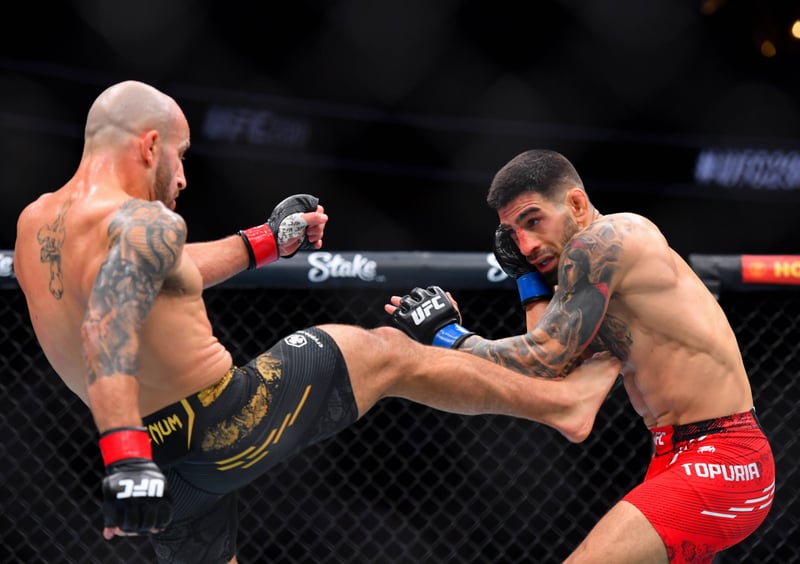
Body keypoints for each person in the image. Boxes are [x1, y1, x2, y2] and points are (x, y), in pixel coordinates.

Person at [13, 82, 622, 564]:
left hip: (163, 462)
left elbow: (165, 271)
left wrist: (265, 241)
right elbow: (107, 328)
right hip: (214, 424)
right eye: (181, 155)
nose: (182, 177)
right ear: (150, 146)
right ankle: (560, 405)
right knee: (381, 349)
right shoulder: (145, 221)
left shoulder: (36, 224)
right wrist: (123, 458)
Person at [386, 149, 775, 563]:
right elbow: (550, 372)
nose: (526, 244)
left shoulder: (605, 240)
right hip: (674, 455)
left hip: (725, 459)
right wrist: (527, 277)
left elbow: (543, 356)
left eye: (533, 221)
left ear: (575, 203)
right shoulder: (590, 276)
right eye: (513, 234)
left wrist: (449, 337)